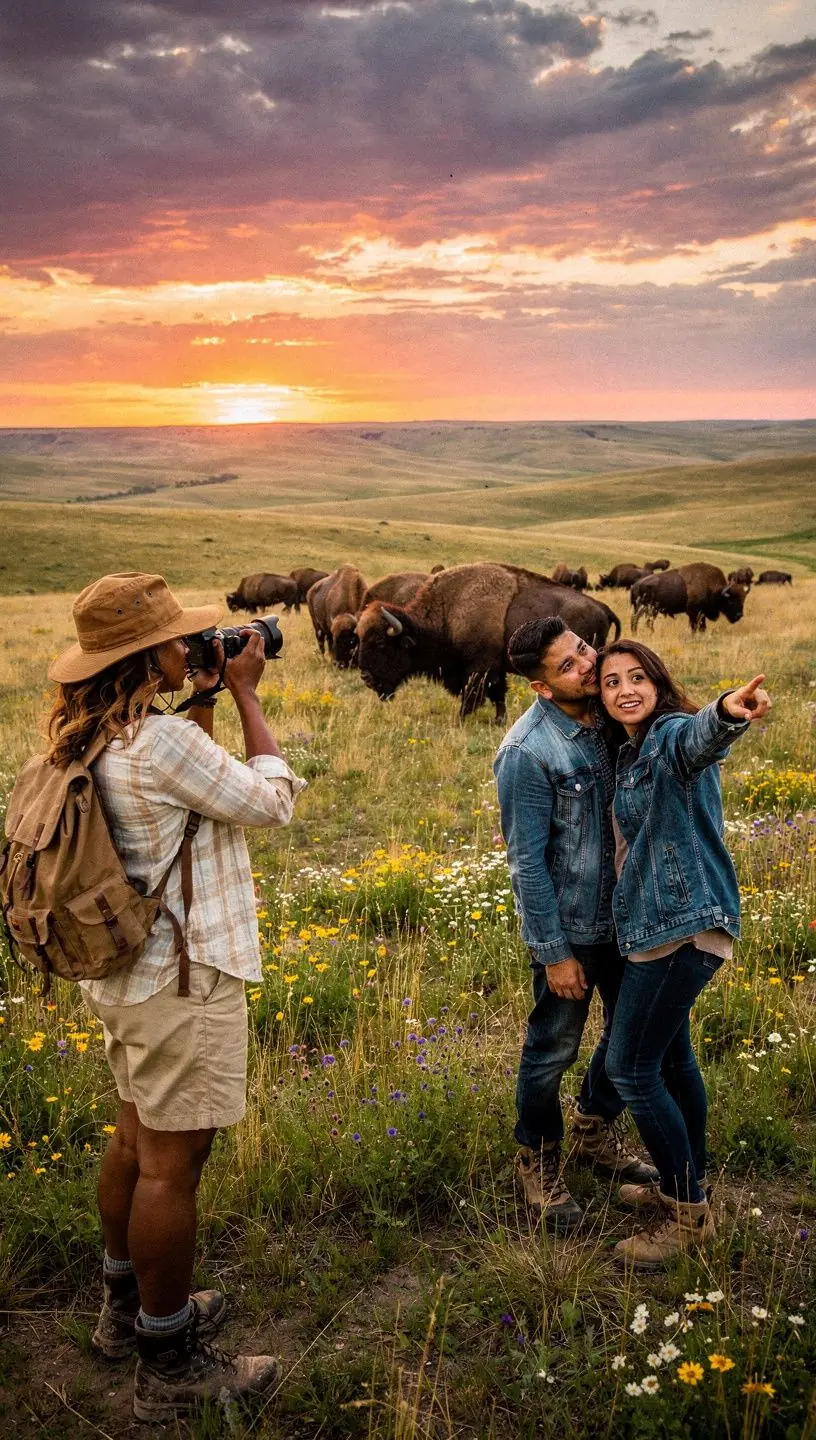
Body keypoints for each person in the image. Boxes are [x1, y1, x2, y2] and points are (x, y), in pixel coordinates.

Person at [46, 572, 305, 1422]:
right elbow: (269, 802)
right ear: (144, 653)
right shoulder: (160, 747)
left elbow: (177, 796)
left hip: (123, 976)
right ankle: (170, 1360)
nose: (189, 645)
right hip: (185, 979)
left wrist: (198, 699)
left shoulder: (89, 733)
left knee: (132, 1144)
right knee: (172, 1167)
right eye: (176, 639)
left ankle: (124, 1312)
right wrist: (245, 696)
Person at [597, 640, 771, 1268]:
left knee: (630, 1070)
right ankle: (685, 1183)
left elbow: (700, 738)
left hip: (680, 926)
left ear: (658, 681)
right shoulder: (630, 749)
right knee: (672, 1062)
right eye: (612, 681)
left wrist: (729, 709)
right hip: (661, 926)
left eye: (637, 677)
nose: (625, 690)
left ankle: (687, 1214)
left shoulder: (668, 735)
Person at [493, 616, 657, 1233]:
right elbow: (526, 864)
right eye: (567, 666)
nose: (587, 665)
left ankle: (593, 1128)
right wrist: (555, 953)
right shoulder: (528, 752)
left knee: (631, 1038)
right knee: (552, 1049)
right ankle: (537, 1157)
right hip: (574, 931)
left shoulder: (612, 716)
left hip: (632, 918)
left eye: (583, 650)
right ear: (540, 687)